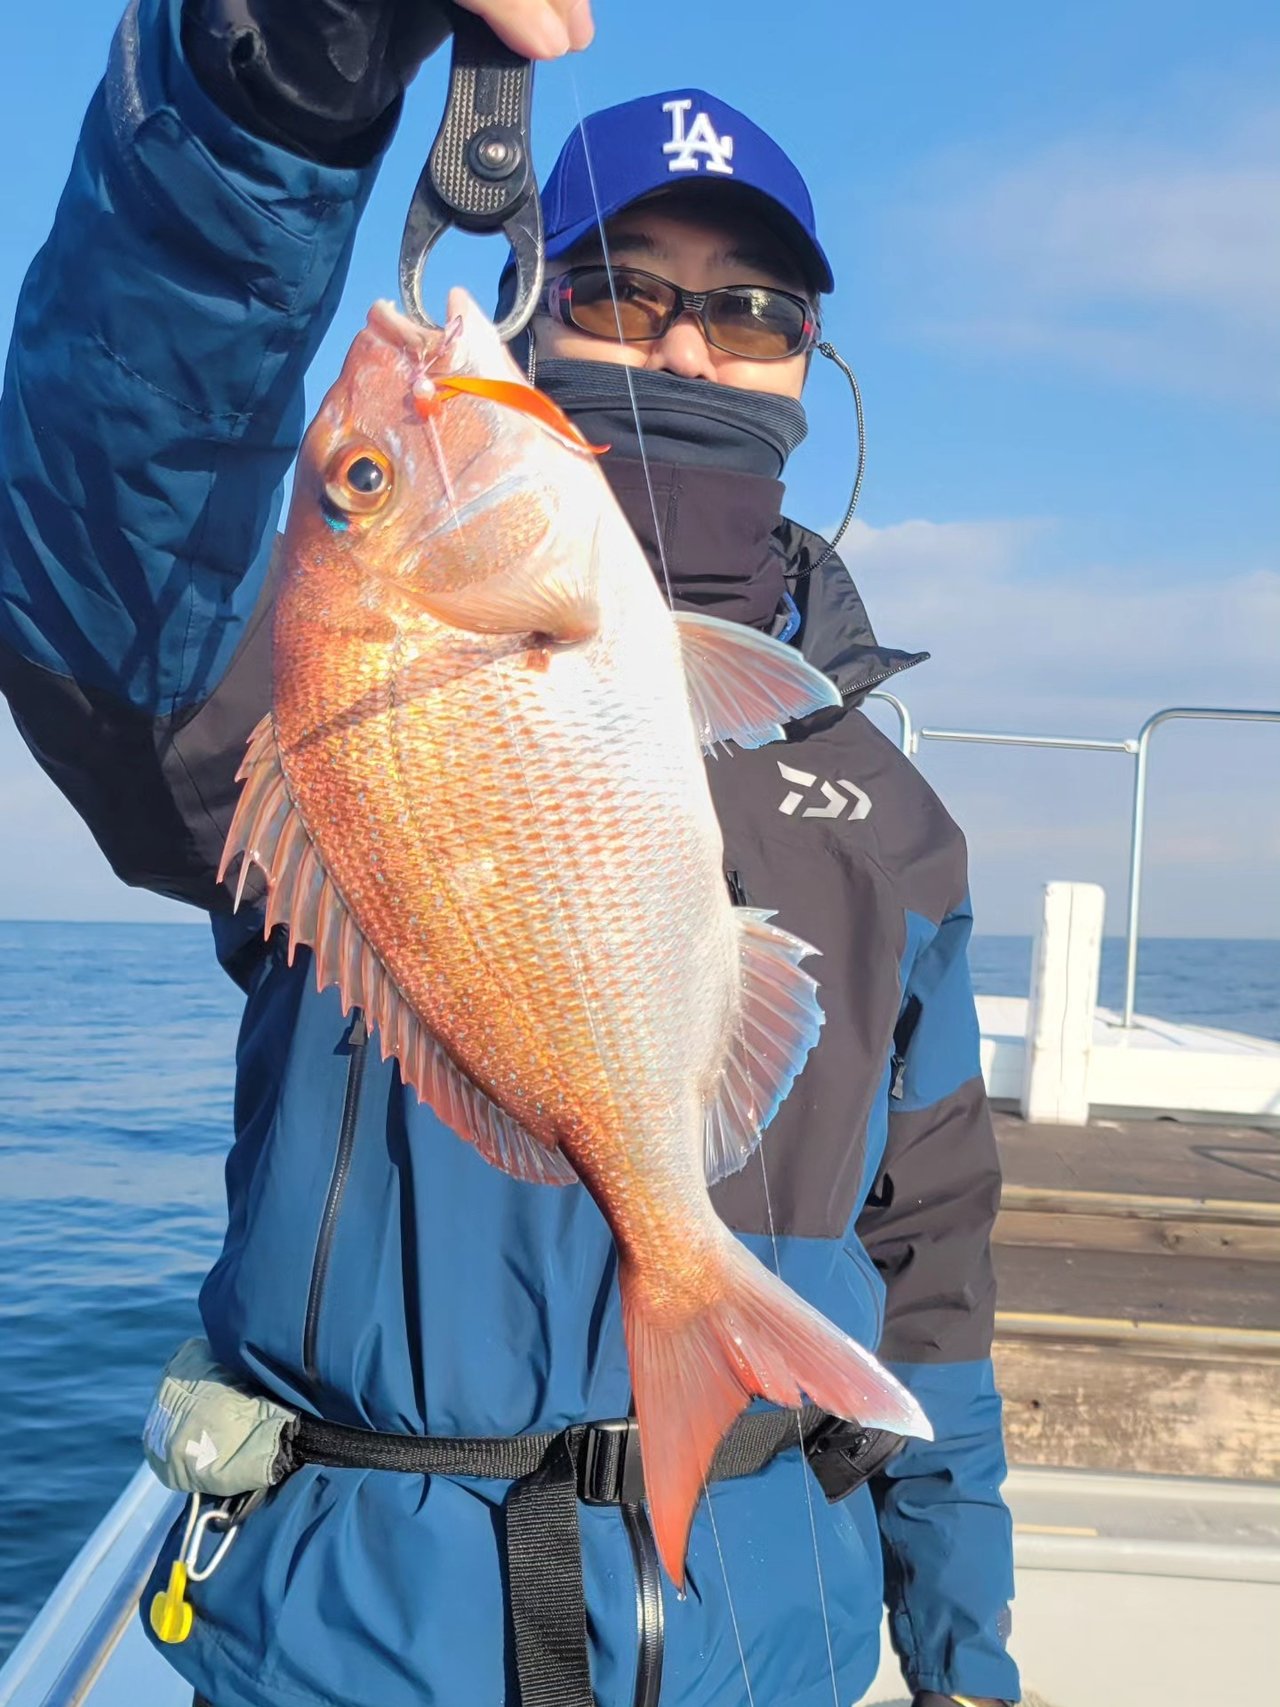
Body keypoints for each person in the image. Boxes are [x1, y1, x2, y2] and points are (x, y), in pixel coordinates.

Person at [0, 3, 1020, 1706]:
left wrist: (966, 1651)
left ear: (809, 364)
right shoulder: (299, 709)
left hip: (770, 1649)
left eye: (752, 310)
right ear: (541, 314)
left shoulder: (890, 817)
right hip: (365, 1649)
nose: (688, 349)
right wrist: (277, 82)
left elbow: (935, 1262)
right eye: (623, 291)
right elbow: (115, 502)